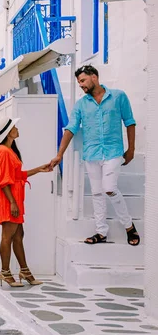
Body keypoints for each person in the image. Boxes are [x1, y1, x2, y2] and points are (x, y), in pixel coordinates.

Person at [49, 64, 140, 246]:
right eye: (78, 82)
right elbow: (70, 129)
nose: (81, 85)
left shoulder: (118, 96)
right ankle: (101, 232)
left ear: (94, 77)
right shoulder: (81, 105)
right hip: (92, 154)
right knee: (97, 193)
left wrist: (131, 150)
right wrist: (59, 155)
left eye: (83, 80)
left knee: (109, 187)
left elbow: (129, 122)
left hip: (113, 151)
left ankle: (129, 226)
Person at [0, 116, 51, 288]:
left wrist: (39, 169)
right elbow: (3, 180)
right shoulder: (3, 151)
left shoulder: (9, 150)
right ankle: (5, 272)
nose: (17, 129)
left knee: (18, 236)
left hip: (15, 198)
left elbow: (18, 175)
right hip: (8, 199)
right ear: (9, 132)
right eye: (15, 127)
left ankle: (24, 271)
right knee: (7, 236)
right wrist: (12, 203)